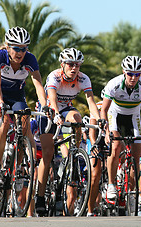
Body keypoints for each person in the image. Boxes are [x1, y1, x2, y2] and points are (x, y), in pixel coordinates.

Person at [35, 47, 101, 216]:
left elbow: (90, 101)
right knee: (48, 154)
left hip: (66, 109)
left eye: (77, 65)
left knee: (77, 118)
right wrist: (56, 114)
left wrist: (100, 119)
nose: (74, 68)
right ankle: (40, 197)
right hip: (49, 111)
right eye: (71, 64)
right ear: (62, 64)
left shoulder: (83, 78)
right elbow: (52, 98)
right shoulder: (54, 76)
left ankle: (73, 154)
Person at [0, 26, 50, 187]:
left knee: (25, 122)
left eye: (24, 49)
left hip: (16, 96)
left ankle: (22, 166)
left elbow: (38, 85)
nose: (20, 53)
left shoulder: (30, 59)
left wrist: (45, 106)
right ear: (8, 46)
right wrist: (0, 103)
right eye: (16, 49)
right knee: (4, 122)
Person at [101, 56, 141, 213]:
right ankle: (111, 184)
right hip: (116, 115)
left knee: (137, 155)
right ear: (123, 72)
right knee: (116, 145)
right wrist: (106, 132)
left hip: (134, 117)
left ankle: (131, 190)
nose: (133, 78)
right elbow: (104, 110)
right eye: (130, 74)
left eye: (137, 74)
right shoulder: (114, 84)